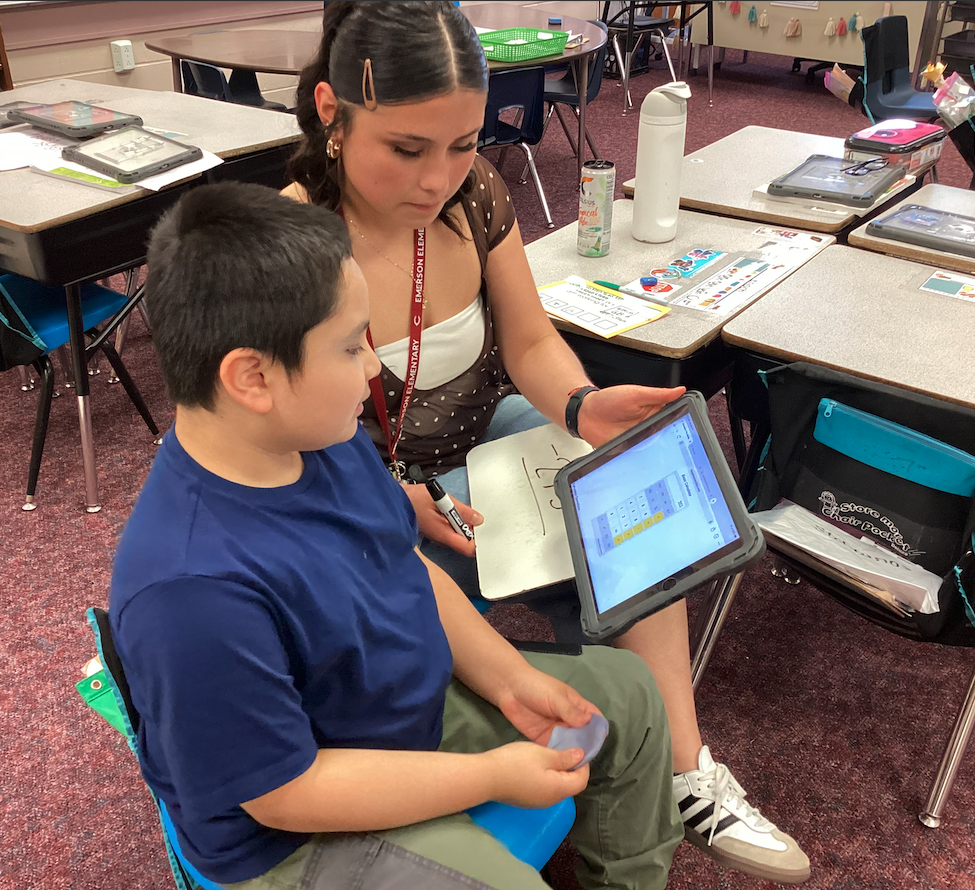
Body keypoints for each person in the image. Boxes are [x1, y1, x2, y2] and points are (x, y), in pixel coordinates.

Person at [283, 3, 809, 885]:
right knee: (390, 651)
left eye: (461, 144)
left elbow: (526, 341)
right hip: (364, 490)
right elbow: (275, 449)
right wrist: (388, 499)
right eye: (408, 148)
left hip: (483, 435)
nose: (438, 178)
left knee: (629, 491)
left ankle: (683, 765)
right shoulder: (286, 243)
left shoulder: (474, 195)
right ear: (332, 113)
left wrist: (580, 404)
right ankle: (490, 762)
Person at [109, 182, 683, 890]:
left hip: (388, 713)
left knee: (625, 691)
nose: (372, 369)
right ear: (252, 377)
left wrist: (510, 681)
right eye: (352, 347)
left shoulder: (323, 438)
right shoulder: (190, 591)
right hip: (292, 831)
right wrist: (486, 776)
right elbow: (287, 794)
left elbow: (408, 569)